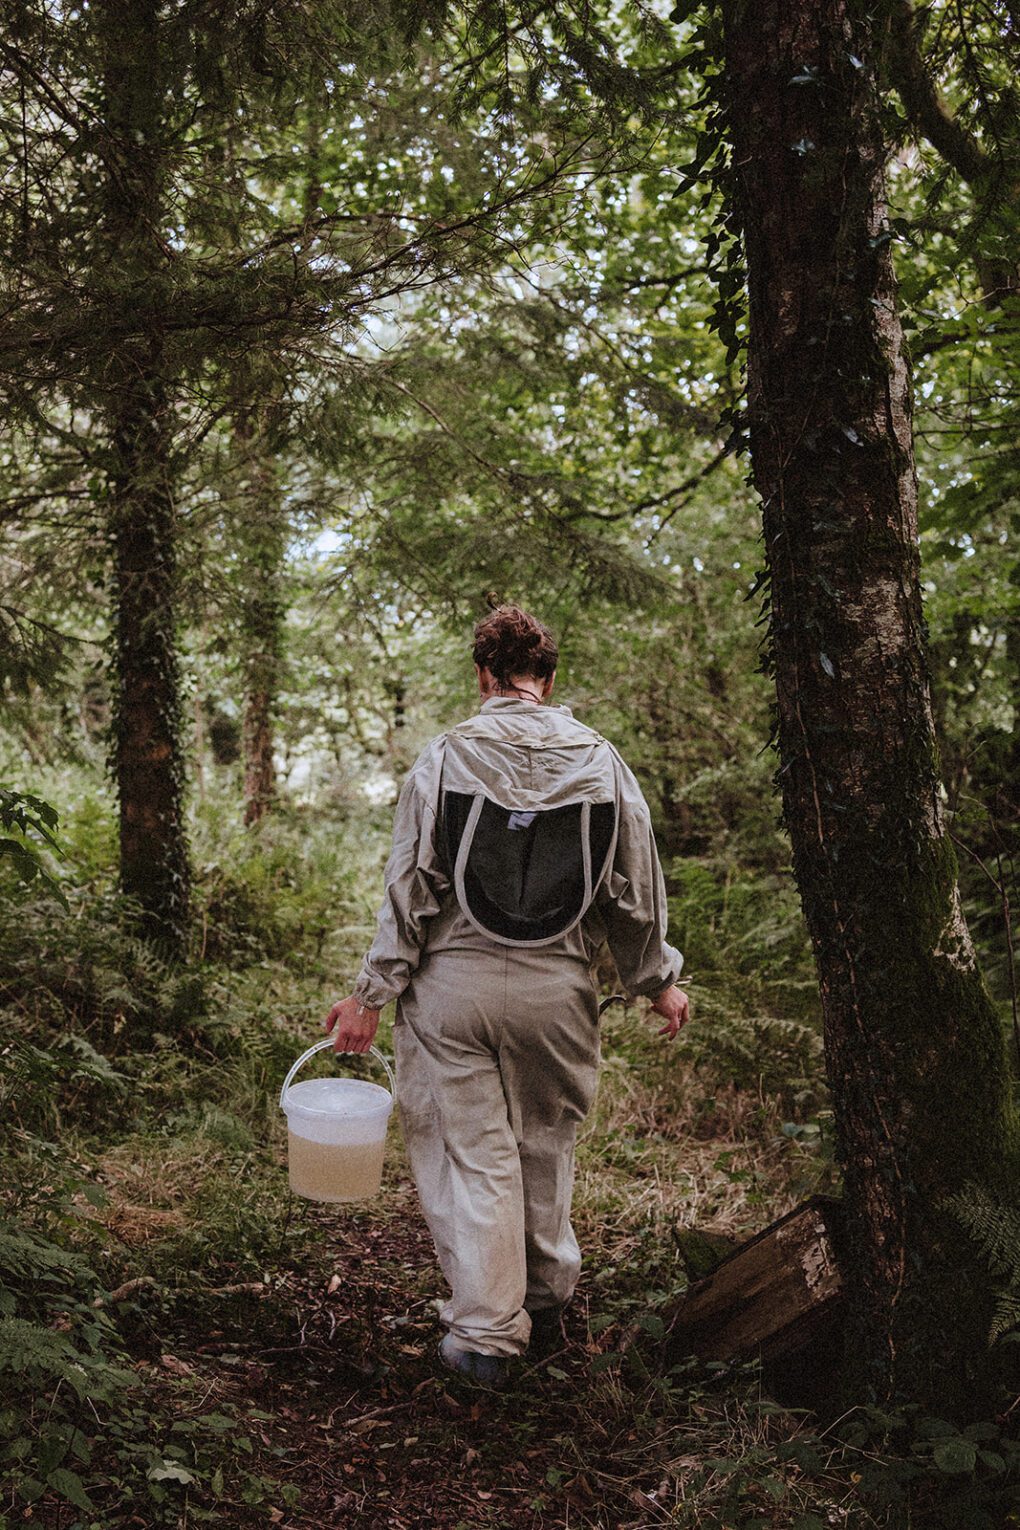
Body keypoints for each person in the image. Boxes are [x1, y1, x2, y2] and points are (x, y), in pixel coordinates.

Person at [325, 605, 690, 1387]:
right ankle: (548, 1299)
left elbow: (411, 887)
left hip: (452, 988)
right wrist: (657, 981)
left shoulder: (445, 758)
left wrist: (370, 995)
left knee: (474, 1156)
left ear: (483, 676)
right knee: (542, 1145)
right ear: (549, 680)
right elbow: (633, 893)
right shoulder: (602, 762)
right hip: (557, 992)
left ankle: (487, 1336)